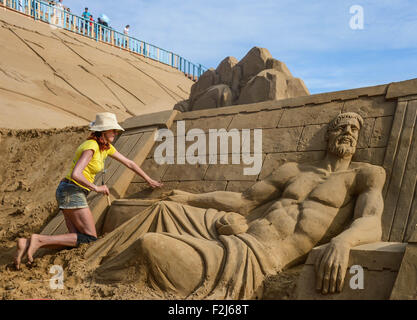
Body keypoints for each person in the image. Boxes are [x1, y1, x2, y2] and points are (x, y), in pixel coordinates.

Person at [84, 112, 386, 299]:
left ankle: (87, 281)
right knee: (163, 212)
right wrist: (190, 198)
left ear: (358, 140)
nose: (347, 132)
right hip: (239, 240)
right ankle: (87, 268)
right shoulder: (294, 171)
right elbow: (245, 201)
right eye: (341, 127)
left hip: (260, 261)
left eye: (353, 130)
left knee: (148, 246)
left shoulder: (364, 175)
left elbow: (372, 219)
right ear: (329, 135)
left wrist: (344, 242)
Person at [14, 112, 163, 270]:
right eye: (113, 130)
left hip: (68, 191)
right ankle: (38, 240)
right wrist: (96, 188)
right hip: (72, 190)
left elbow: (129, 163)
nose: (116, 133)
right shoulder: (91, 146)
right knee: (90, 238)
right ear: (103, 131)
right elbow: (76, 173)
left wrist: (149, 179)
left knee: (74, 240)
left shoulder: (105, 147)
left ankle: (26, 243)